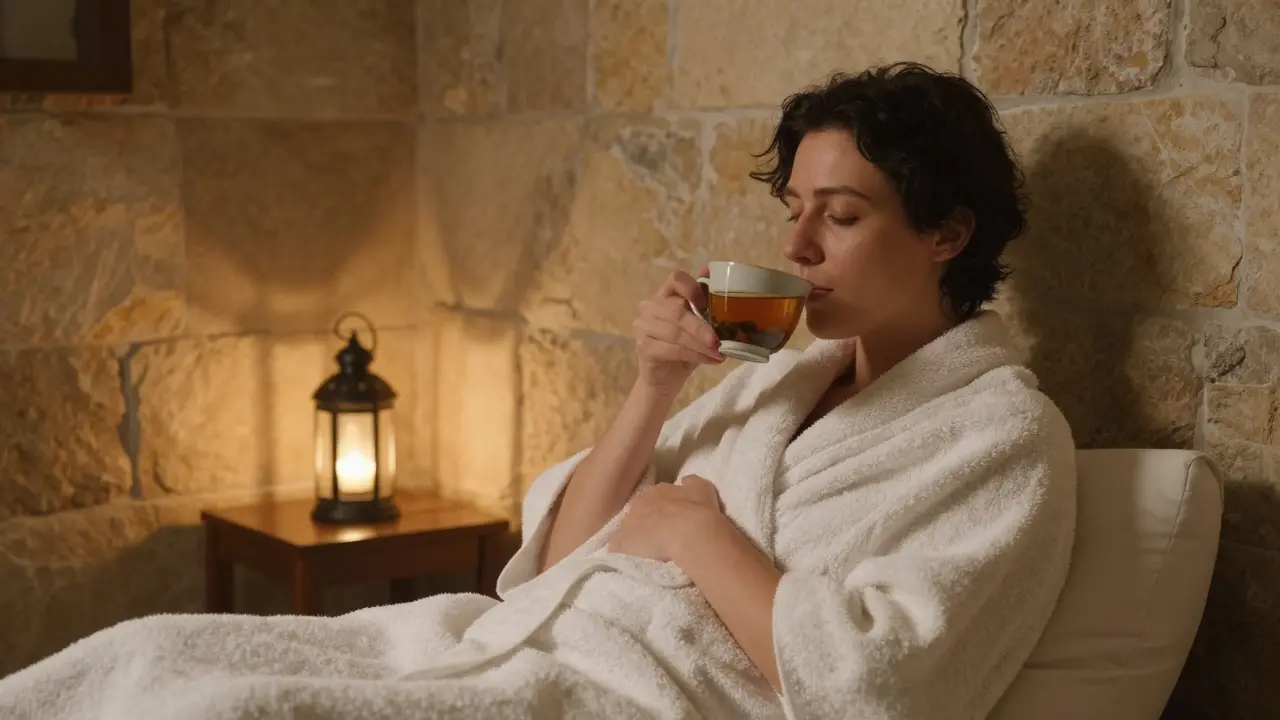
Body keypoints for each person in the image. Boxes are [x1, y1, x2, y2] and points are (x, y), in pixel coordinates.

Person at [0, 62, 1076, 720]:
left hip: (627, 698)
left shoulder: (999, 438)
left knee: (219, 710)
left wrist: (699, 536)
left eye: (838, 217)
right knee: (145, 655)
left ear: (945, 232)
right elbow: (556, 566)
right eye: (792, 208)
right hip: (524, 641)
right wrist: (653, 387)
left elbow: (884, 691)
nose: (793, 247)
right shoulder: (784, 374)